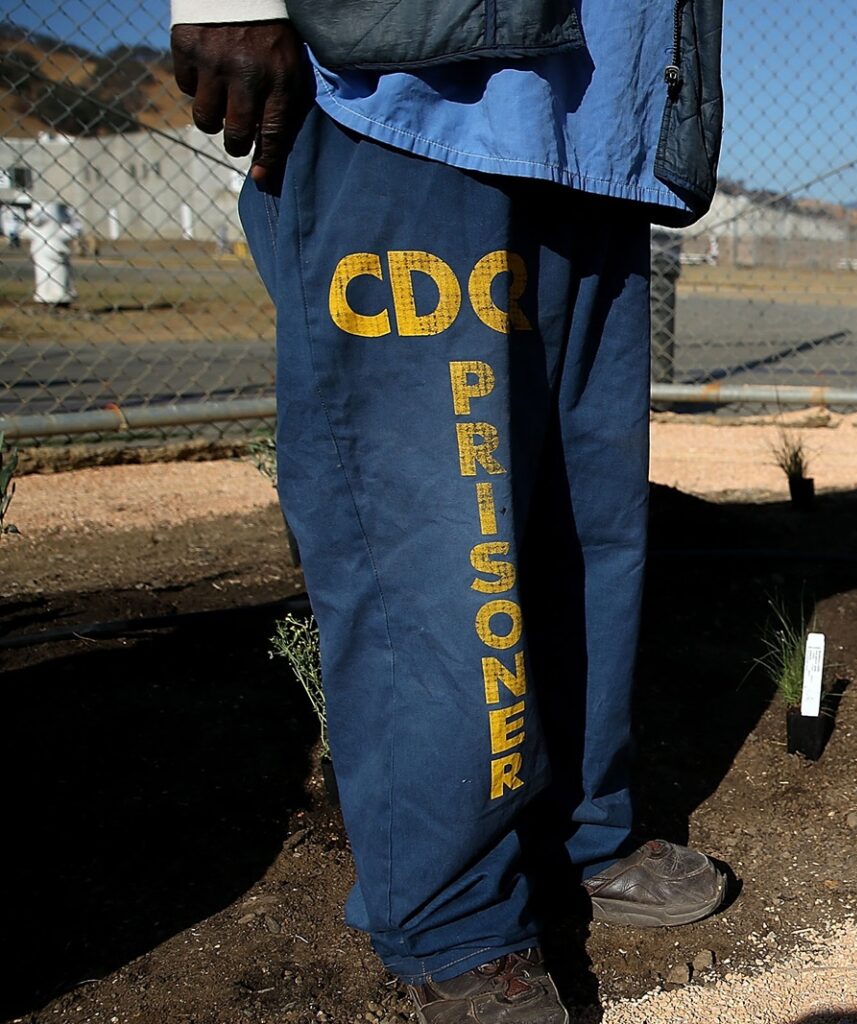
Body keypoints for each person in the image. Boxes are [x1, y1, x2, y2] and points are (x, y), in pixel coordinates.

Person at [169, 1, 727, 1020]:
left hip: (598, 125)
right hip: (407, 85)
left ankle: (576, 831)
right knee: (431, 530)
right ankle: (454, 910)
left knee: (585, 524)